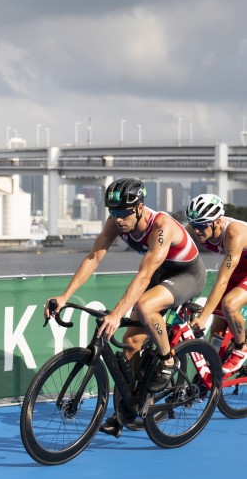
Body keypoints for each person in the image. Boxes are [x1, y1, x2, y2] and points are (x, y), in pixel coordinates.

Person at [45, 177, 205, 437]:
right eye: (113, 211)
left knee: (144, 306)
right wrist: (64, 296)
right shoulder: (115, 223)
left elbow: (144, 276)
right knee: (131, 344)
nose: (118, 218)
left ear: (140, 207)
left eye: (123, 212)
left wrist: (117, 314)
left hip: (187, 274)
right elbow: (94, 257)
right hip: (160, 273)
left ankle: (167, 359)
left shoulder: (161, 227)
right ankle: (127, 410)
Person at [186, 194, 247, 375]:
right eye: (194, 224)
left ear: (217, 222)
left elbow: (222, 281)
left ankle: (241, 347)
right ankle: (212, 370)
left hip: (239, 267)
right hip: (241, 267)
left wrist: (203, 318)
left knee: (229, 304)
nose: (197, 231)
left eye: (202, 226)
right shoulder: (194, 228)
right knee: (218, 325)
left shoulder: (234, 233)